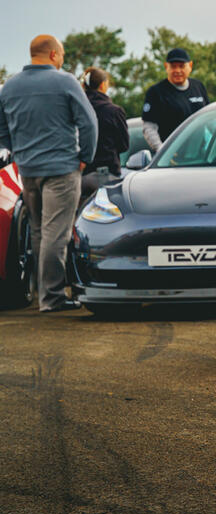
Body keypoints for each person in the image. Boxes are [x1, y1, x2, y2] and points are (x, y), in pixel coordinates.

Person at [0, 35, 97, 312]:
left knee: (40, 231)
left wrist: (15, 152)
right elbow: (88, 122)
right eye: (62, 54)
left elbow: (1, 128)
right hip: (61, 169)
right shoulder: (65, 81)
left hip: (27, 171)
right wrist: (84, 158)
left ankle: (43, 293)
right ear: (54, 55)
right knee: (57, 233)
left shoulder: (9, 87)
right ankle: (52, 298)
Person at [142, 47, 209, 151]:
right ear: (166, 67)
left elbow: (209, 121)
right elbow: (149, 128)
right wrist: (162, 151)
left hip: (201, 154)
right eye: (173, 67)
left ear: (190, 65)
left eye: (182, 66)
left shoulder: (198, 87)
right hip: (172, 157)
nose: (177, 71)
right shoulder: (156, 92)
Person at [81, 67, 129, 202]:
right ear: (103, 84)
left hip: (81, 176)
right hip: (107, 175)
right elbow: (124, 145)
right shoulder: (114, 111)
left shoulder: (77, 109)